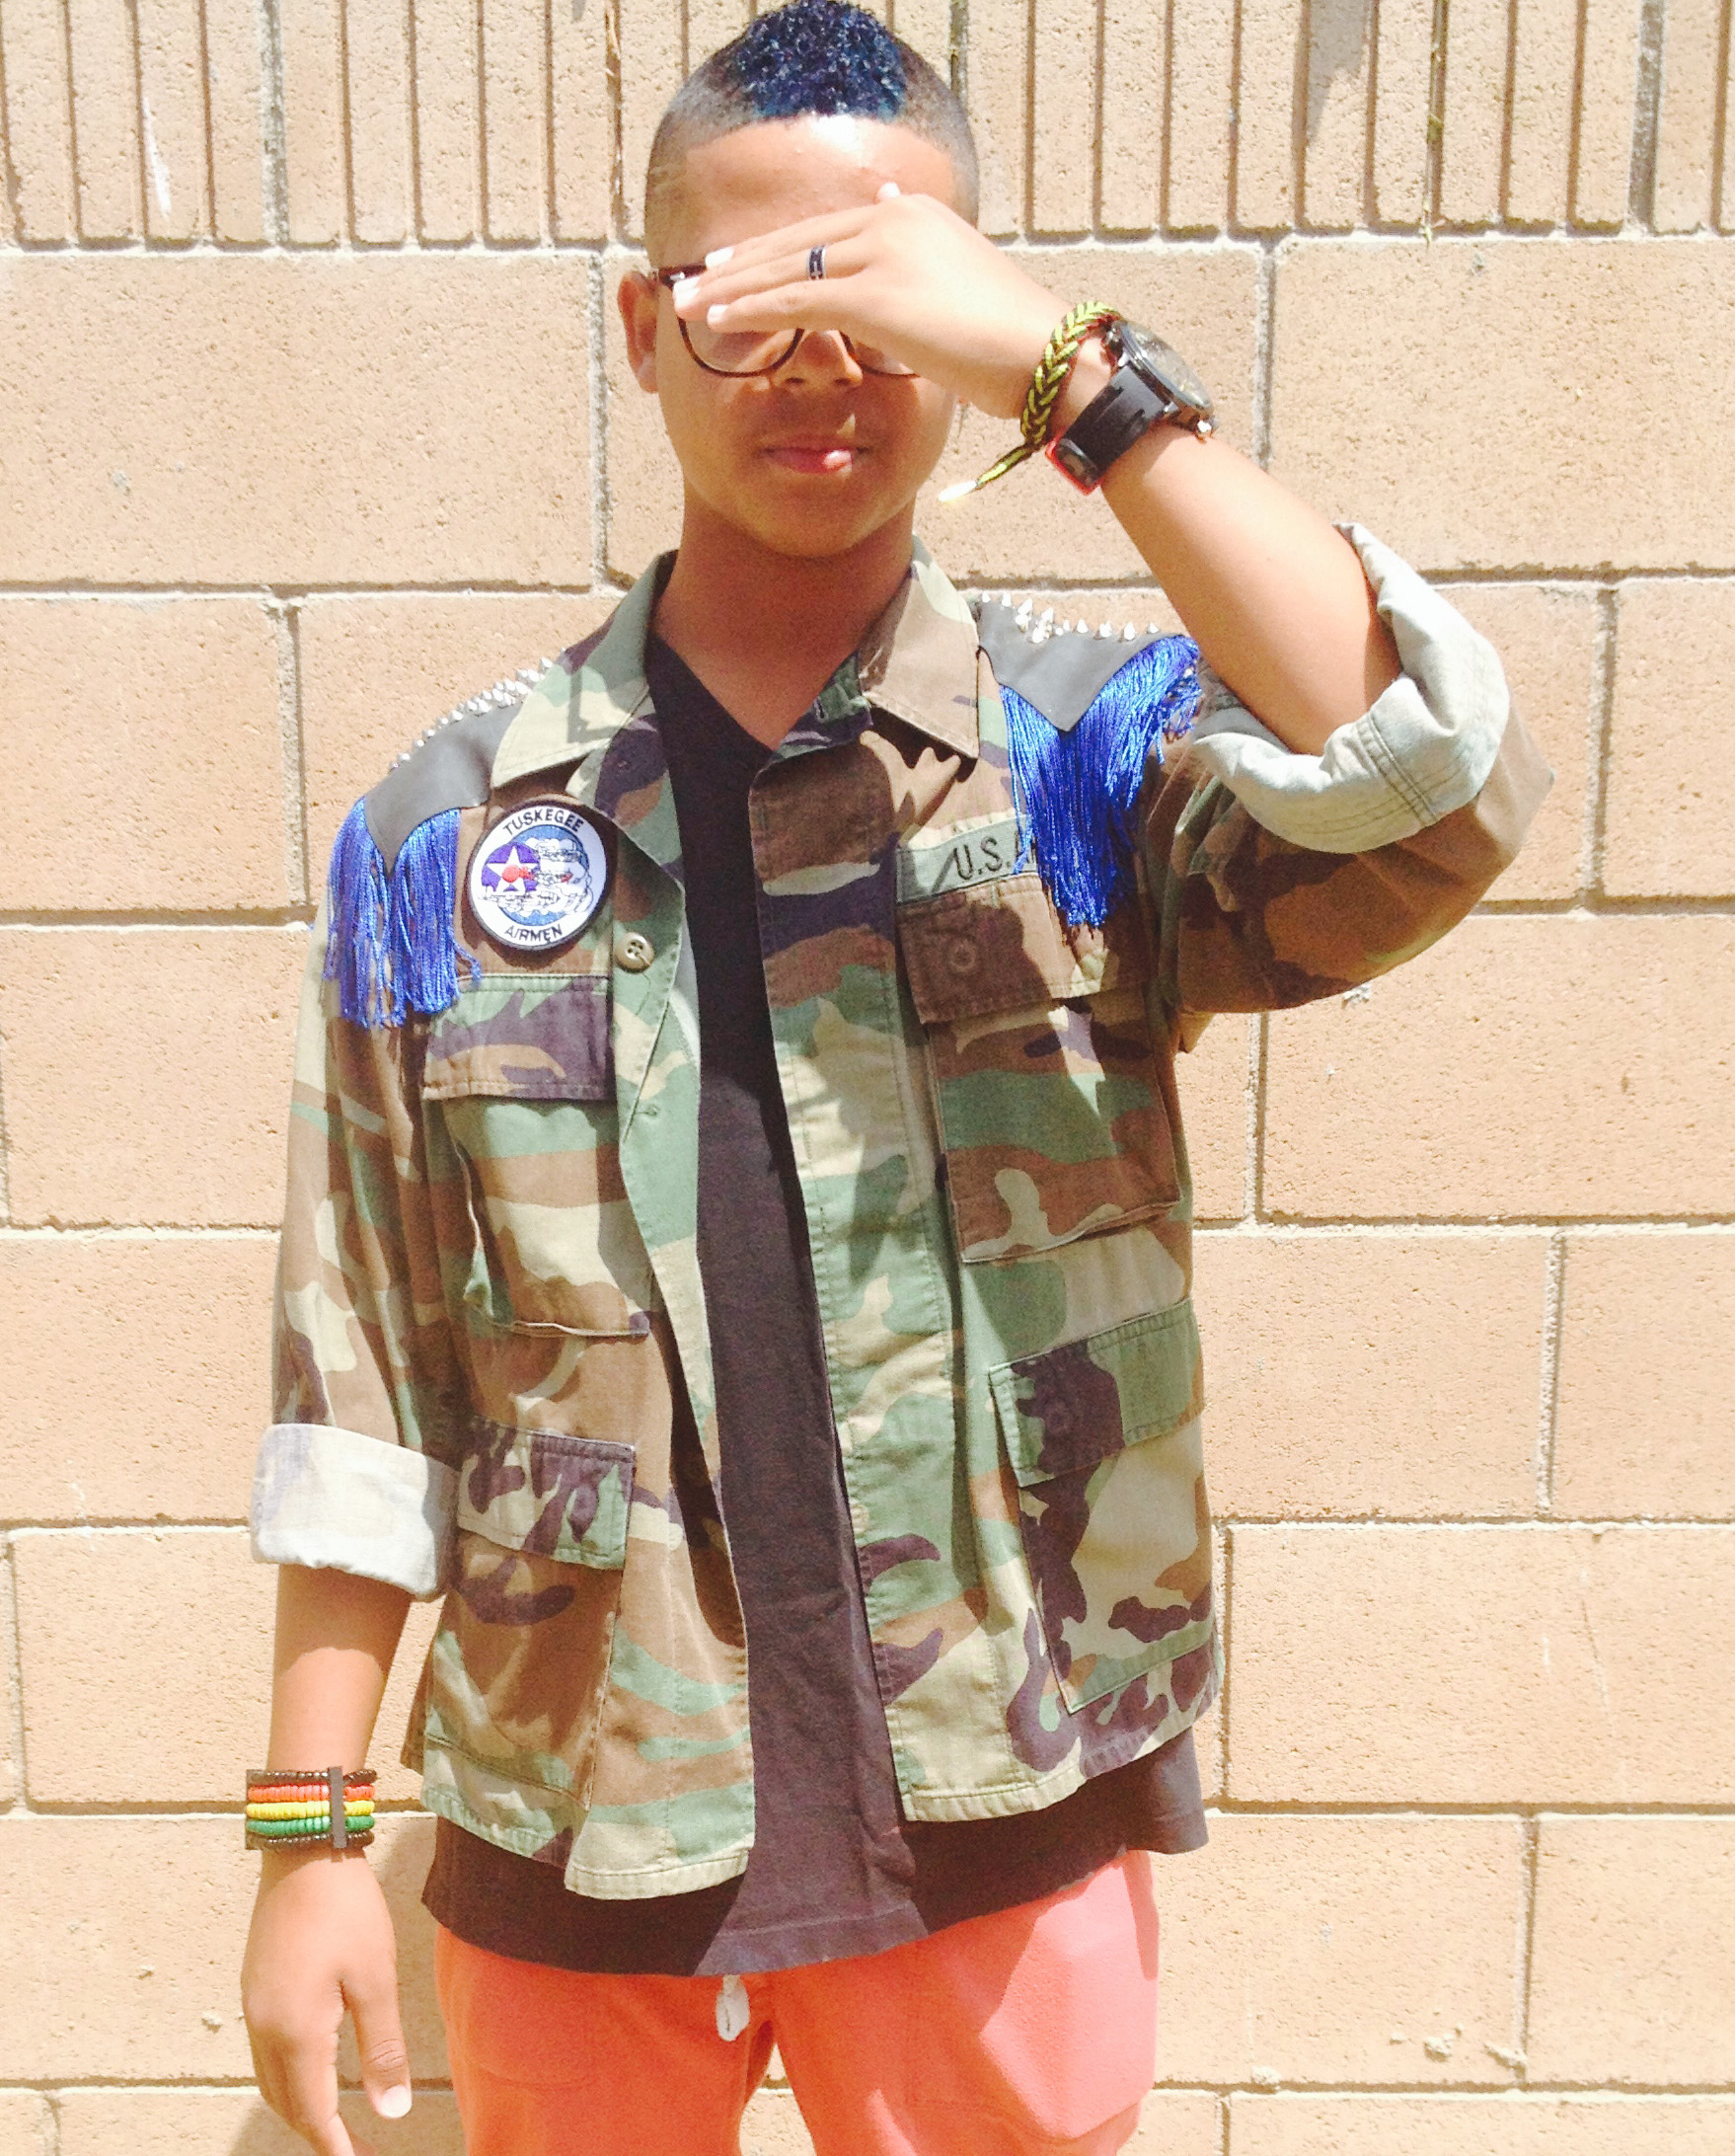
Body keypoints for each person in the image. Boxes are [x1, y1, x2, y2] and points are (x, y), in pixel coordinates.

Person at [239, 5, 1550, 2152]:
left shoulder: (1088, 755)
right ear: (645, 329)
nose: (823, 369)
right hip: (582, 1800)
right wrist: (307, 1830)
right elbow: (362, 1355)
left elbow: (1435, 787)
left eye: (881, 298)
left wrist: (1075, 377)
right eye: (756, 303)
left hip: (1002, 1778)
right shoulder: (450, 833)